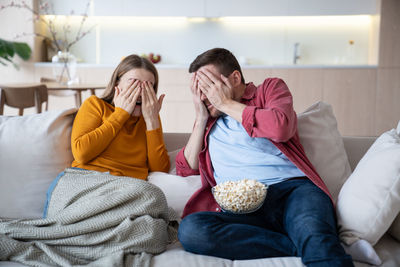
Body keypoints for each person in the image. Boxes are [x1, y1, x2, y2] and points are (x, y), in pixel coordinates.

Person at [176, 48, 354, 266]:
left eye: (210, 86)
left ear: (235, 78)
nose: (205, 96)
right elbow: (186, 168)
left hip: (293, 193)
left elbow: (281, 127)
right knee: (191, 231)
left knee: (314, 235)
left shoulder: (269, 89)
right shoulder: (207, 119)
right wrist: (201, 118)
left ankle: (310, 243)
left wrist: (225, 104)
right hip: (241, 209)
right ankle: (298, 245)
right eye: (198, 89)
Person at [70, 54, 170, 179]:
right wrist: (121, 114)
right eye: (134, 83)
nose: (139, 92)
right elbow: (81, 154)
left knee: (154, 195)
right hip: (85, 178)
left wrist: (152, 120)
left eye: (148, 86)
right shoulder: (95, 105)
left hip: (128, 187)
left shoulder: (151, 119)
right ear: (117, 82)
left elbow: (160, 170)